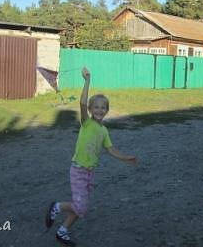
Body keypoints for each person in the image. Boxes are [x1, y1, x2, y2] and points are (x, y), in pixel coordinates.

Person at [45, 67, 137, 246]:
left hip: (89, 173)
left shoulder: (104, 131)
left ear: (107, 110)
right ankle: (56, 207)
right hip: (78, 170)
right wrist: (87, 80)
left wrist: (126, 158)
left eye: (103, 107)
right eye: (95, 107)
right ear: (90, 109)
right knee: (81, 206)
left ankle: (62, 231)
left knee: (82, 207)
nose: (99, 110)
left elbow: (111, 149)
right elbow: (81, 103)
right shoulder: (86, 123)